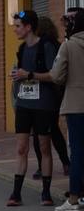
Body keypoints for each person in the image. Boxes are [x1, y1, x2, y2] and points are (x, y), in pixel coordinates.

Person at [8, 10, 59, 206]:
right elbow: (22, 73)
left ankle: (46, 193)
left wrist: (28, 74)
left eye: (18, 26)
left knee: (44, 147)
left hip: (43, 105)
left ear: (29, 27)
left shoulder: (46, 46)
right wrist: (18, 76)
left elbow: (54, 75)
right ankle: (16, 193)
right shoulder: (21, 49)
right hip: (24, 104)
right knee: (21, 148)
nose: (15, 30)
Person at [51, 7, 84, 211]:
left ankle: (73, 198)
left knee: (78, 152)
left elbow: (57, 75)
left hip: (76, 104)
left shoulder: (68, 46)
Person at [33, 16, 70, 179]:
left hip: (44, 93)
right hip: (57, 94)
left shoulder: (44, 45)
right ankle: (66, 163)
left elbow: (50, 71)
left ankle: (42, 166)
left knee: (39, 131)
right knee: (53, 129)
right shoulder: (57, 44)